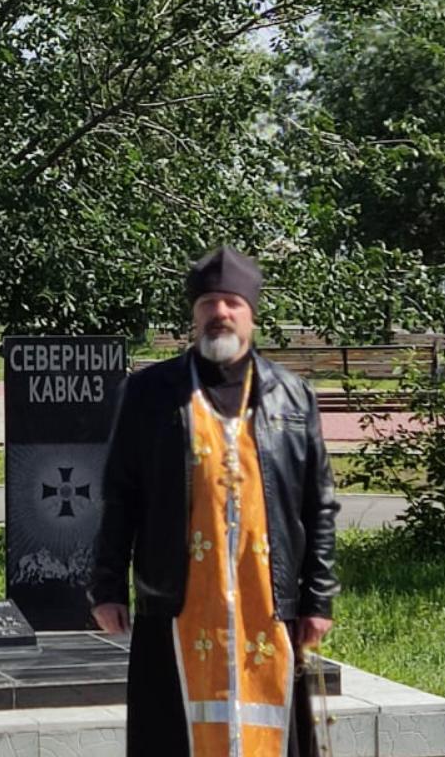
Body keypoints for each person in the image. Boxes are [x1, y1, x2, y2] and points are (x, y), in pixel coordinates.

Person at [89, 246, 339, 756]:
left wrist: (318, 597)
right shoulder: (150, 393)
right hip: (177, 599)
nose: (219, 313)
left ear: (251, 313)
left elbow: (319, 505)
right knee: (173, 731)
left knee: (271, 723)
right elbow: (121, 494)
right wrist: (107, 586)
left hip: (268, 602)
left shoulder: (291, 397)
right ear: (194, 314)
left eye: (231, 303)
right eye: (208, 304)